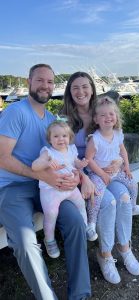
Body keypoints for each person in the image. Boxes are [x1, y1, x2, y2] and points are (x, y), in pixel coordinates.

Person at [0, 64, 91, 300]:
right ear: (28, 82)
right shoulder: (15, 112)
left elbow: (65, 157)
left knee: (76, 222)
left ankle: (79, 293)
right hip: (13, 188)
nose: (45, 86)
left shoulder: (52, 120)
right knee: (24, 241)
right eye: (40, 80)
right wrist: (41, 175)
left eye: (50, 82)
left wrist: (78, 177)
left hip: (47, 188)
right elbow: (2, 157)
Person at [62, 71, 139, 285]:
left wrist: (120, 162)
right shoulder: (65, 118)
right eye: (75, 87)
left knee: (124, 199)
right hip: (81, 172)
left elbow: (116, 142)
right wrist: (85, 176)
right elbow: (64, 154)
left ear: (92, 89)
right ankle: (105, 255)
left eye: (85, 86)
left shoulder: (102, 109)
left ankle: (125, 248)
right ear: (69, 92)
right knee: (108, 202)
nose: (81, 91)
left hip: (107, 171)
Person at [84, 96, 139, 240]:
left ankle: (133, 207)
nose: (108, 117)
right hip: (97, 173)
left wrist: (126, 166)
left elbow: (123, 150)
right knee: (97, 194)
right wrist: (102, 174)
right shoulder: (95, 139)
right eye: (103, 115)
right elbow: (89, 160)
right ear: (96, 119)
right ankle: (91, 223)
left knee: (132, 184)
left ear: (116, 116)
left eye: (111, 114)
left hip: (116, 171)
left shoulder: (118, 133)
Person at [32, 118, 89, 258]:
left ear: (69, 137)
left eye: (64, 136)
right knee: (51, 213)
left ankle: (86, 227)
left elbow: (75, 163)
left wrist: (80, 164)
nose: (60, 139)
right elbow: (35, 166)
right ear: (50, 139)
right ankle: (49, 240)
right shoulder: (48, 153)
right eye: (56, 136)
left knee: (81, 204)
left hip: (70, 187)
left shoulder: (71, 149)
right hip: (51, 190)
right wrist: (46, 164)